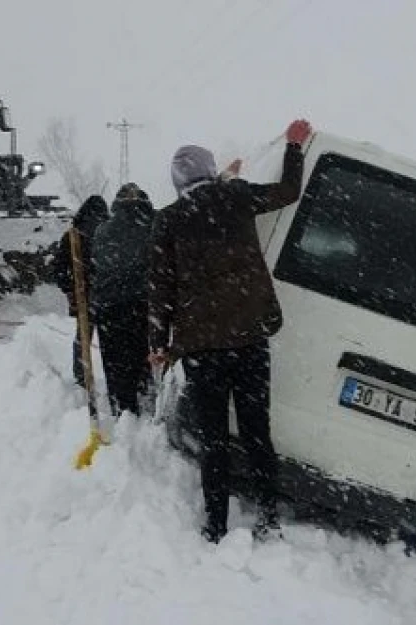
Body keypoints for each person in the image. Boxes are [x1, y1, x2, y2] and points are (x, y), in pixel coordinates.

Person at [148, 119, 311, 543]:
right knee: (258, 432)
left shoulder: (169, 221)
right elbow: (288, 192)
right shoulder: (236, 197)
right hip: (249, 339)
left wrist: (158, 343)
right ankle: (268, 516)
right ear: (209, 169)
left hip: (202, 349)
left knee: (213, 440)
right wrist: (293, 148)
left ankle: (215, 525)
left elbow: (161, 288)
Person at [91, 183, 154, 416]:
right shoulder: (153, 226)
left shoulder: (102, 230)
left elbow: (96, 264)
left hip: (109, 307)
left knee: (114, 361)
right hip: (142, 305)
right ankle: (144, 397)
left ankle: (121, 405)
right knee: (141, 355)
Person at [53, 195, 110, 386]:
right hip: (107, 296)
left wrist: (70, 288)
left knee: (83, 337)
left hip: (84, 296)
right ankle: (114, 377)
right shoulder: (107, 233)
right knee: (110, 341)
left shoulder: (72, 235)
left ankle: (82, 377)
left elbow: (58, 269)